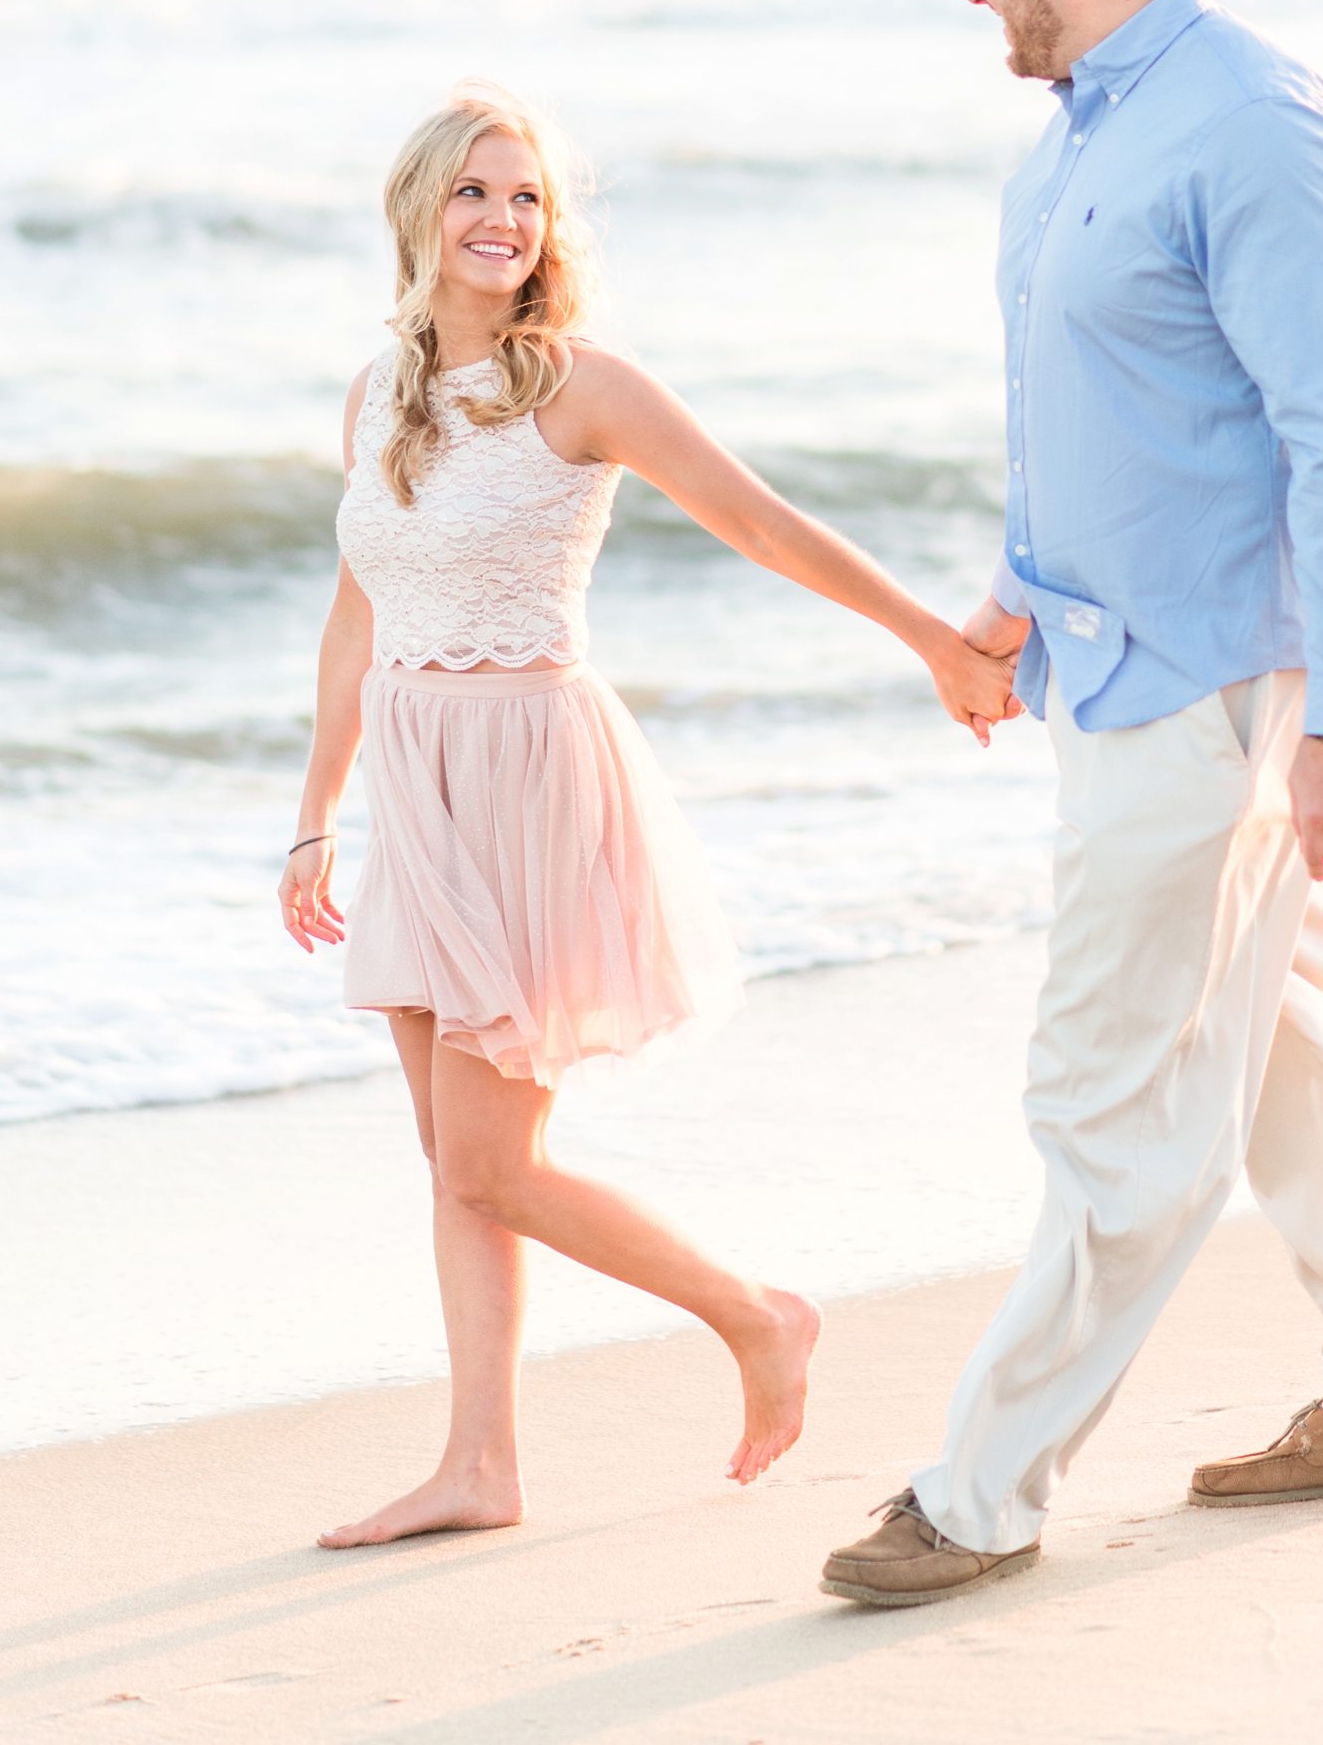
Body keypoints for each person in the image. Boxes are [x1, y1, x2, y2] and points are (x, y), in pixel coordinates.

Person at [820, 0, 1323, 1609]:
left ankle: (979, 1489)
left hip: (1225, 691)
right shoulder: (1063, 147)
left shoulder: (1256, 123)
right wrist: (1016, 589)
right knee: (1275, 1045)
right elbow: (1095, 411)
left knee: (1107, 1093)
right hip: (1103, 669)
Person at [279, 83, 1014, 1550]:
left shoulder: (583, 387)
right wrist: (317, 814)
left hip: (529, 777)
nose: (503, 220)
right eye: (478, 192)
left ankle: (756, 1313)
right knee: (455, 1158)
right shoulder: (377, 395)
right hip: (414, 787)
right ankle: (479, 1463)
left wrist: (935, 639)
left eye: (528, 197)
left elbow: (759, 519)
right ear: (420, 209)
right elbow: (358, 611)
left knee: (493, 1158)